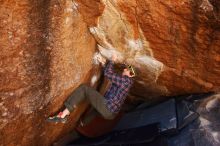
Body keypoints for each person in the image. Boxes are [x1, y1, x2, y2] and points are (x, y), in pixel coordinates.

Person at [47, 54, 135, 123]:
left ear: (130, 74)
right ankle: (83, 122)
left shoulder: (126, 81)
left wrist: (112, 60)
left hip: (108, 108)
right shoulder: (126, 82)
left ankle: (63, 116)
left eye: (127, 70)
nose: (124, 70)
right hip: (111, 114)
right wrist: (104, 63)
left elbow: (108, 73)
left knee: (84, 89)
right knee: (97, 108)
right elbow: (112, 76)